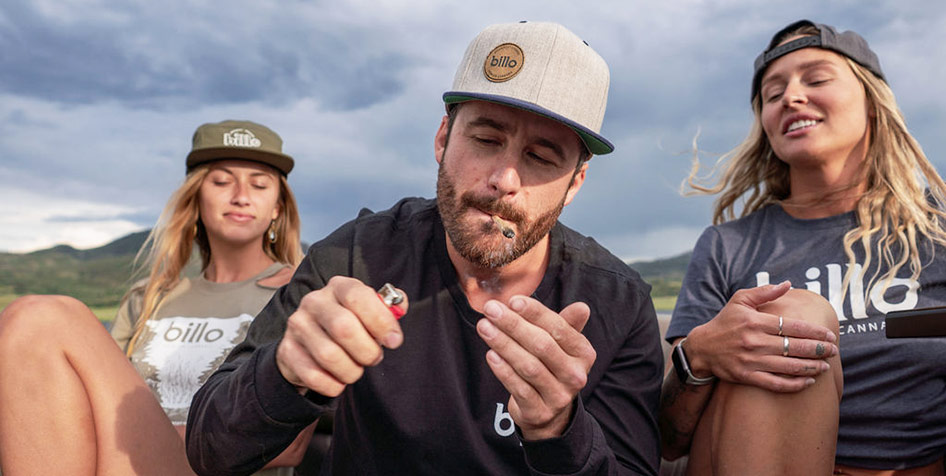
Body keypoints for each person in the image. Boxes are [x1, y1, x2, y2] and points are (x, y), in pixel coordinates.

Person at [186, 21, 663, 476]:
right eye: (486, 139)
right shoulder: (357, 256)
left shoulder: (617, 303)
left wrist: (559, 429)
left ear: (575, 182)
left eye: (541, 157)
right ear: (442, 138)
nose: (504, 180)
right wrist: (285, 369)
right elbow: (212, 451)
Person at [661, 20, 946, 475]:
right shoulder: (726, 246)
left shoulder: (938, 227)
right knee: (791, 316)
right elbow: (670, 439)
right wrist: (699, 355)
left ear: (872, 102)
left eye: (816, 79)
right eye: (773, 95)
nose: (791, 97)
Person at [0, 120, 312, 475]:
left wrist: (125, 442)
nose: (241, 195)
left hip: (213, 464)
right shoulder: (146, 299)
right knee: (33, 323)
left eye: (259, 185)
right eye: (222, 181)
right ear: (195, 198)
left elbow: (291, 445)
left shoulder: (299, 296)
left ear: (277, 208)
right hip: (128, 461)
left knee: (40, 316)